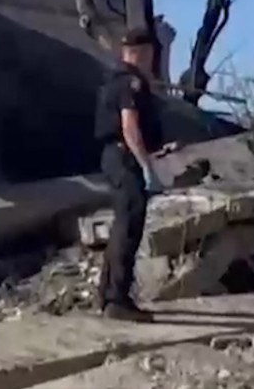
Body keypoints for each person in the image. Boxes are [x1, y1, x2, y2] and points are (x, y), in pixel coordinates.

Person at [93, 26, 165, 322]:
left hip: (115, 156)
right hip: (125, 157)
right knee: (129, 226)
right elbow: (129, 126)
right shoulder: (131, 83)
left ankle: (108, 294)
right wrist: (146, 165)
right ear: (142, 52)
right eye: (150, 53)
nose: (151, 60)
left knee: (122, 225)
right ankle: (117, 299)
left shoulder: (114, 80)